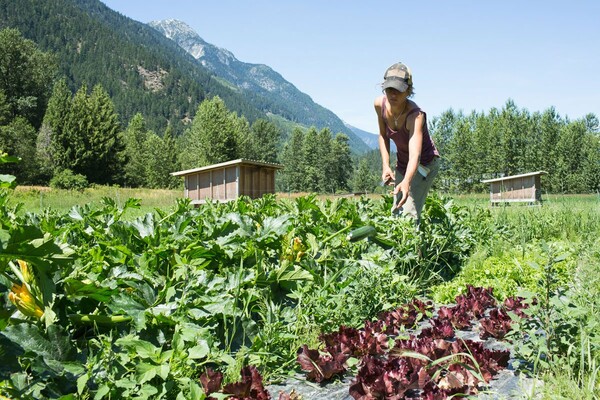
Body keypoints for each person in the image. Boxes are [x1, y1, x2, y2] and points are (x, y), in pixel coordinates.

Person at [374, 62, 440, 223]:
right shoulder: (379, 105)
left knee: (409, 212)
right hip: (403, 163)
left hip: (425, 164)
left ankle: (414, 248)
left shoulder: (415, 116)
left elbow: (415, 155)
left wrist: (407, 181)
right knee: (397, 210)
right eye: (389, 89)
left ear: (408, 91)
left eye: (398, 90)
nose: (393, 94)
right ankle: (399, 248)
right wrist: (386, 165)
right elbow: (383, 135)